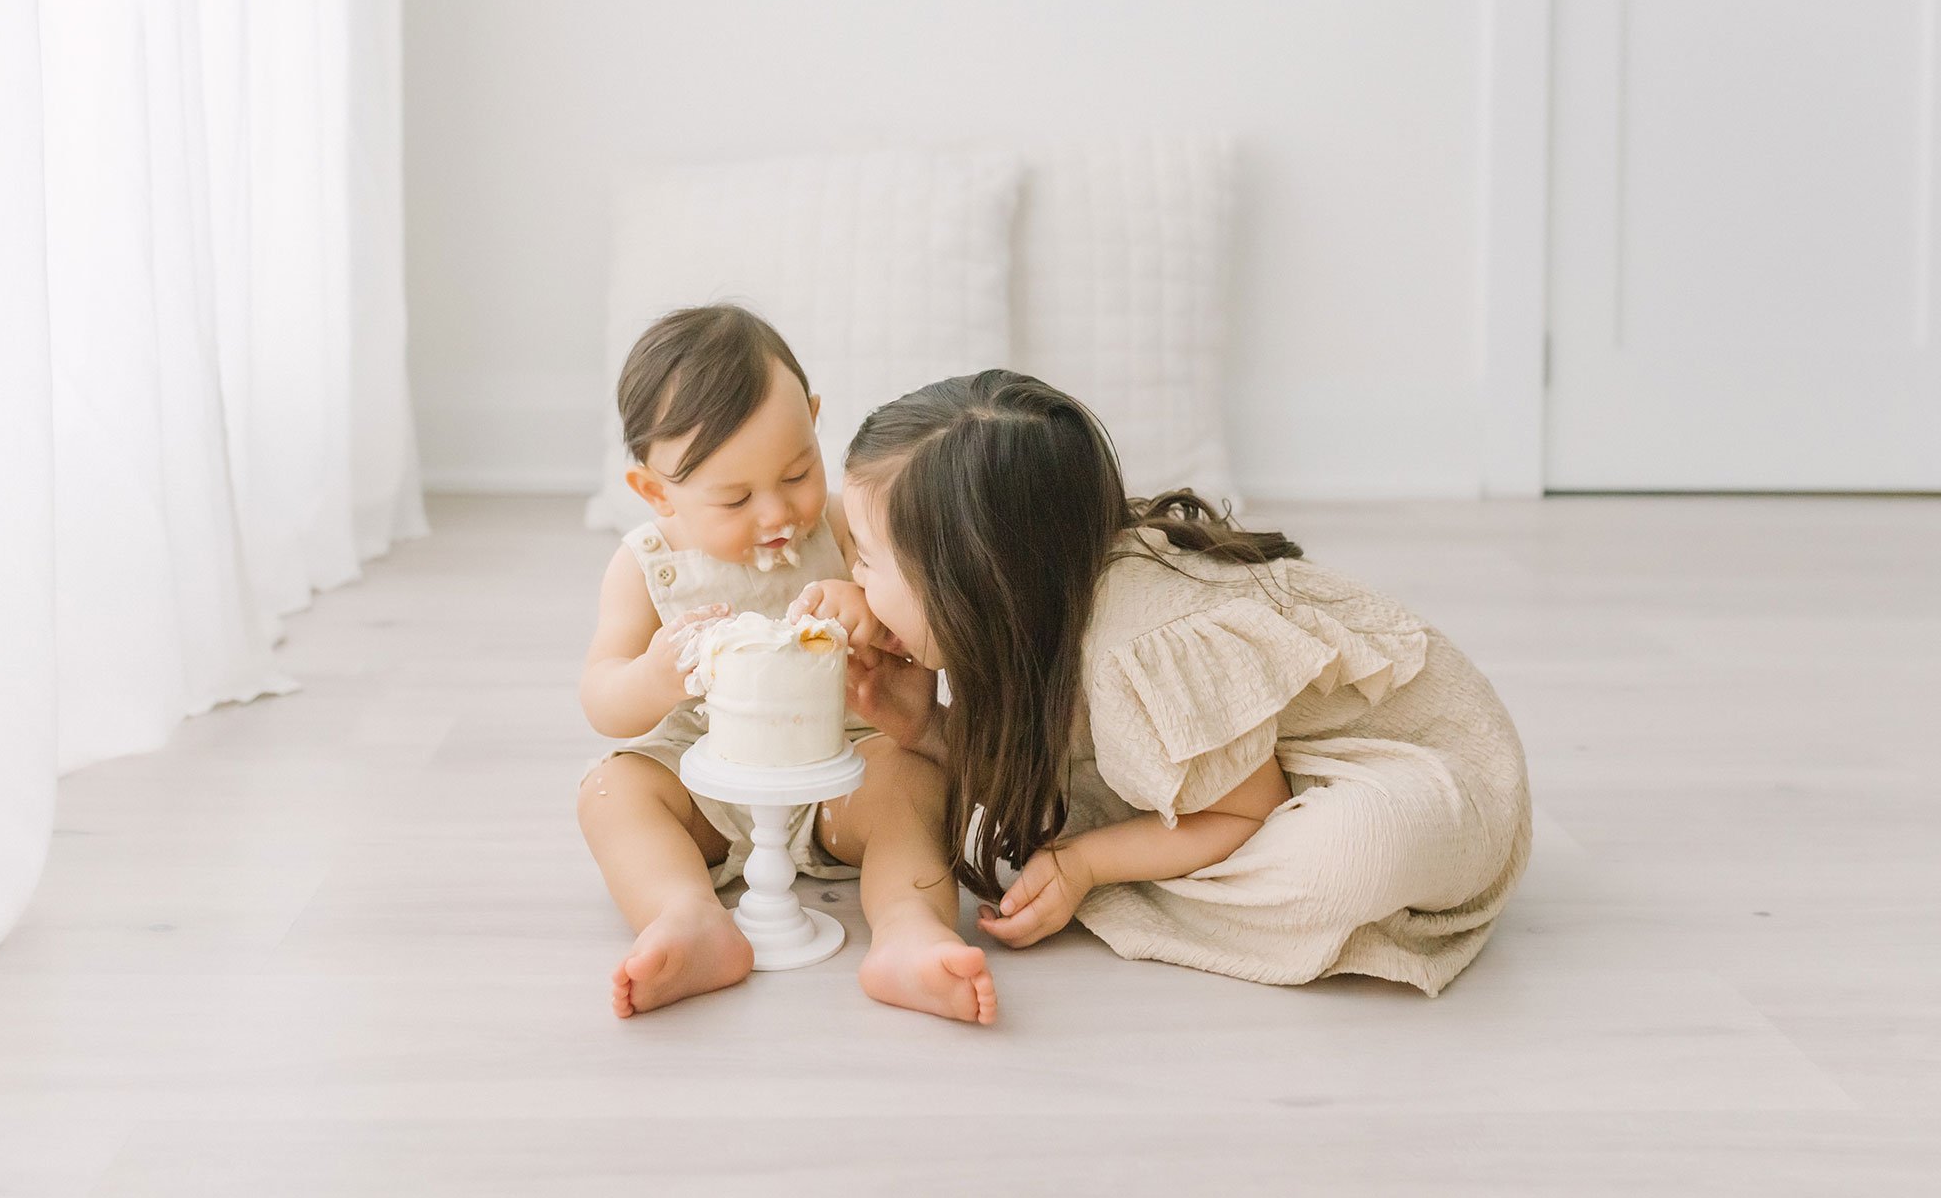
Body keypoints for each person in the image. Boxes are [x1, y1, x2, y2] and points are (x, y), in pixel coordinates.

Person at [837, 370, 1532, 999]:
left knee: (1352, 853)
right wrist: (928, 729)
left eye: (866, 559)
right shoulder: (1045, 606)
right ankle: (1146, 845)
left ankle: (1137, 859)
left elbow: (1242, 811)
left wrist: (1084, 863)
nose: (856, 581)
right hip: (1272, 778)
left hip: (1432, 775)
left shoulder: (1129, 652)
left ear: (970, 589)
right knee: (1114, 798)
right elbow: (1063, 758)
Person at [577, 306, 994, 1023]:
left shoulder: (840, 525)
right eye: (734, 498)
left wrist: (864, 610)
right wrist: (650, 677)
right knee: (610, 791)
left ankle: (906, 930)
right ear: (655, 491)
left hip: (839, 773)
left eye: (797, 472)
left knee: (912, 780)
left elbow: (910, 632)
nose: (776, 513)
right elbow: (600, 696)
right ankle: (686, 915)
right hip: (705, 781)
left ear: (814, 419)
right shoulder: (646, 565)